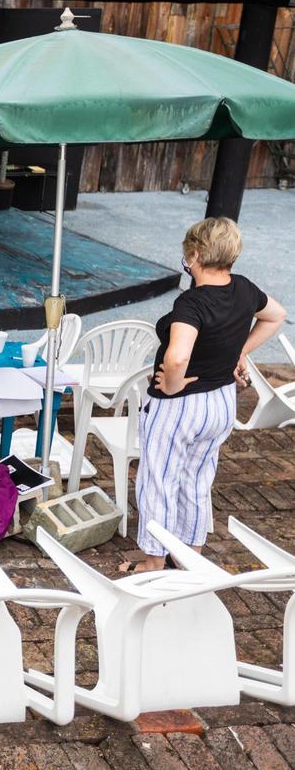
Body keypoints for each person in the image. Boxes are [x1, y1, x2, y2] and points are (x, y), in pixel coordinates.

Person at [126, 217, 286, 573]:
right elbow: (276, 316)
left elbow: (178, 355)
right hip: (221, 403)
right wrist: (239, 352)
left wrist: (170, 385)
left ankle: (154, 562)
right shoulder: (244, 289)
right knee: (197, 478)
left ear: (195, 254)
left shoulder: (191, 304)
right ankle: (190, 557)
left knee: (158, 480)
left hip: (179, 407)